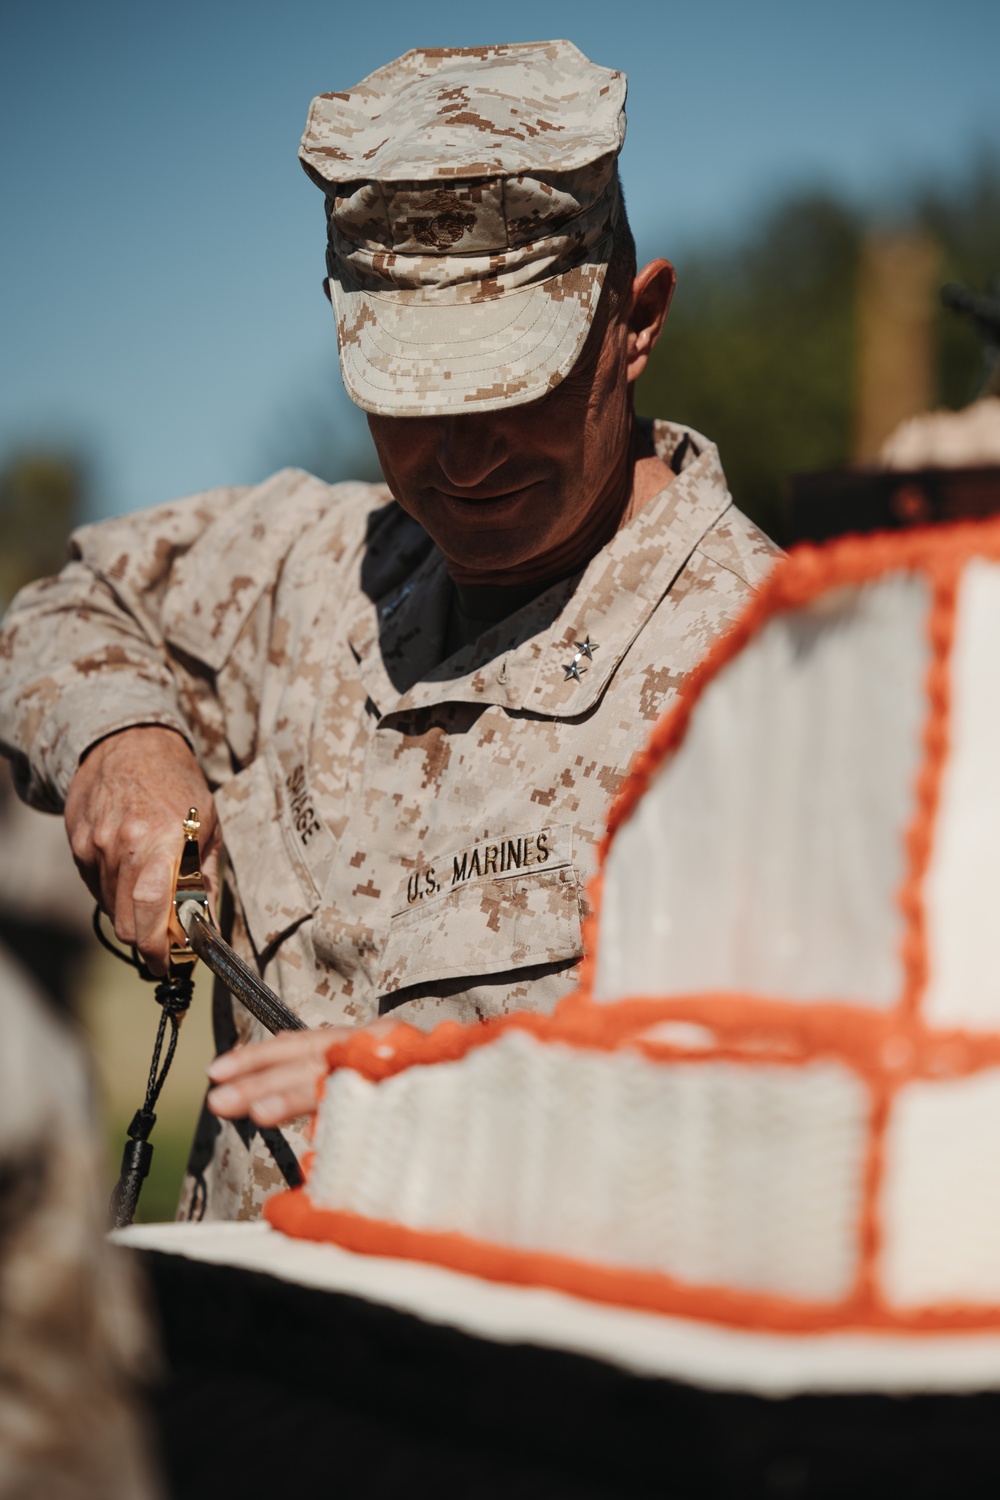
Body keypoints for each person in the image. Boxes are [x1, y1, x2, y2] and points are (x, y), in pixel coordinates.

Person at [0, 40, 778, 1221]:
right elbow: (66, 606)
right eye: (414, 399)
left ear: (635, 319)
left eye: (511, 387)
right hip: (247, 1379)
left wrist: (433, 1102)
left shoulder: (777, 673)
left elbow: (806, 1108)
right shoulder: (318, 570)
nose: (462, 458)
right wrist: (124, 745)